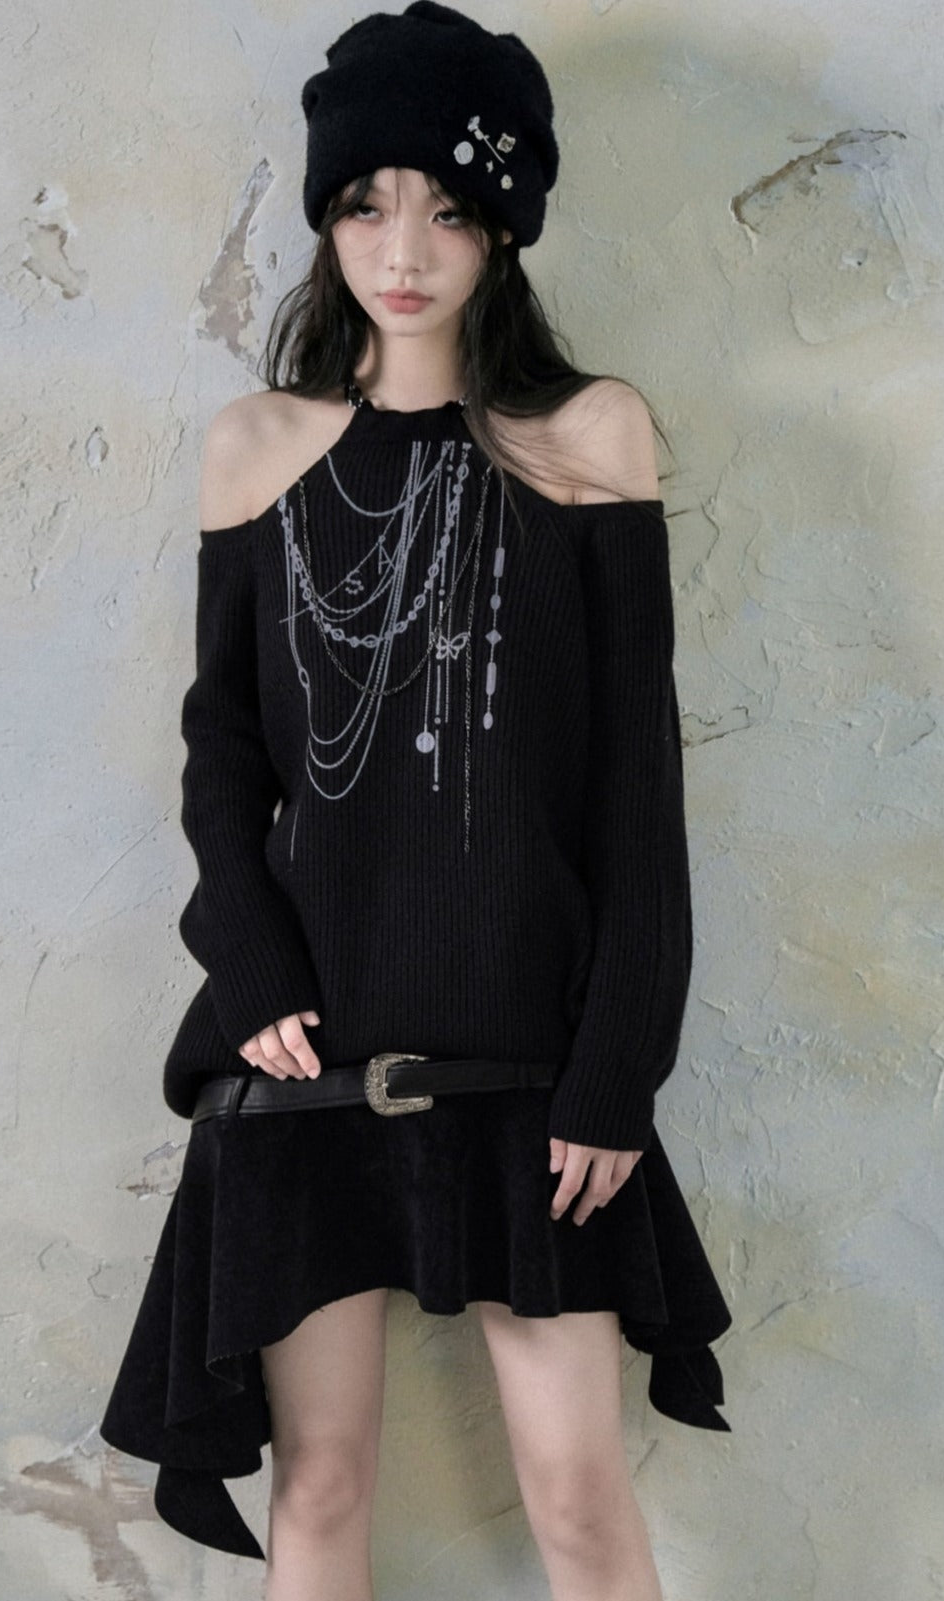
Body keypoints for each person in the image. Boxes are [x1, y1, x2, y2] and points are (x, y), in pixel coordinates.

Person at [99, 5, 732, 1598]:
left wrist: (618, 1072)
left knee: (577, 1492)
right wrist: (250, 969)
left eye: (449, 209)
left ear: (501, 227)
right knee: (320, 1488)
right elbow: (222, 754)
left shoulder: (588, 439)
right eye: (367, 203)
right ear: (326, 218)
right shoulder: (256, 449)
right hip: (309, 1059)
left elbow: (635, 796)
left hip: (532, 1068)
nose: (404, 249)